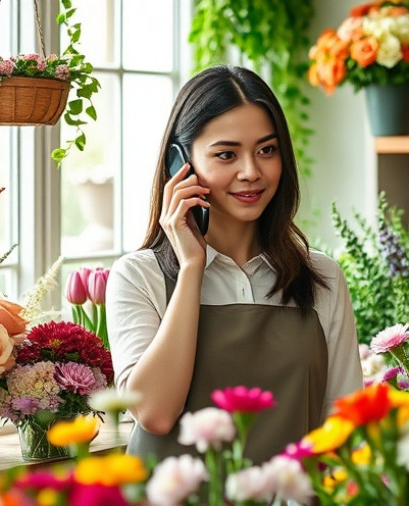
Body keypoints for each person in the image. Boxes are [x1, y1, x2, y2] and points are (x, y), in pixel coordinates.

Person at [105, 65, 363, 464]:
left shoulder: (321, 277)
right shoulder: (139, 276)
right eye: (227, 154)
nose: (251, 172)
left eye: (267, 150)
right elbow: (154, 414)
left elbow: (345, 426)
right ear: (180, 165)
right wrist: (192, 267)